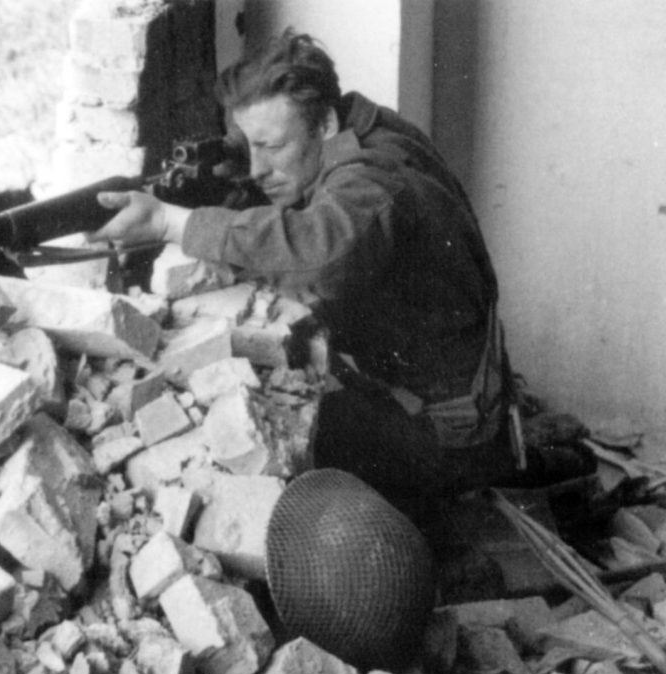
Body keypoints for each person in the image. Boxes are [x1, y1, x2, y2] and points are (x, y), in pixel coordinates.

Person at [89, 29, 522, 514]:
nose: (256, 167)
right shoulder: (369, 126)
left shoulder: (373, 177)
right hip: (461, 398)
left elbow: (322, 255)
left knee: (269, 433)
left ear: (326, 124)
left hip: (447, 437)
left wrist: (170, 221)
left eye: (271, 146)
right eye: (247, 145)